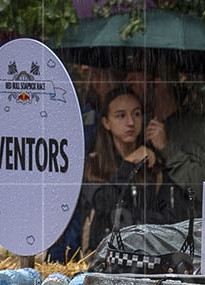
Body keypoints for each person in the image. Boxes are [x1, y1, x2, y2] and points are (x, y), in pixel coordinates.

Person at [81, 84, 194, 238]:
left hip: (148, 254)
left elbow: (173, 220)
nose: (131, 122)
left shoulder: (154, 166)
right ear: (106, 122)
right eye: (121, 115)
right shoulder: (93, 165)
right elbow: (110, 207)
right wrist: (129, 163)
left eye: (137, 114)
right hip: (105, 256)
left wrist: (133, 218)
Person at [124, 60, 205, 200]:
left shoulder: (199, 128)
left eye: (135, 77)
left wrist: (167, 148)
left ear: (157, 83)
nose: (128, 83)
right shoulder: (137, 127)